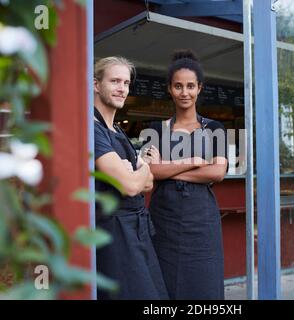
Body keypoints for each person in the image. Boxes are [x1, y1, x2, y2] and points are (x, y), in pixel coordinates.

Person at [142, 49, 228, 300]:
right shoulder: (154, 129)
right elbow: (149, 172)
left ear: (200, 88)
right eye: (178, 86)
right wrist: (192, 162)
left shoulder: (215, 128)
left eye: (190, 86)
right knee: (164, 280)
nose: (184, 92)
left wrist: (167, 169)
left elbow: (218, 172)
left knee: (204, 282)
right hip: (164, 219)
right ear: (169, 88)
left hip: (202, 219)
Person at [93, 56, 168, 300]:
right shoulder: (91, 129)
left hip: (137, 230)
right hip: (115, 233)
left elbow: (147, 183)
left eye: (125, 83)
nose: (122, 88)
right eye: (114, 81)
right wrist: (144, 167)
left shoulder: (118, 131)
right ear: (96, 85)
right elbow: (131, 184)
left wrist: (138, 170)